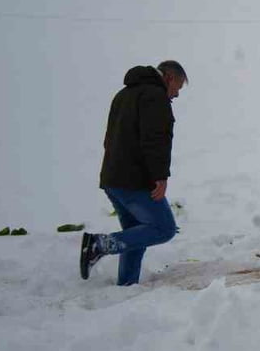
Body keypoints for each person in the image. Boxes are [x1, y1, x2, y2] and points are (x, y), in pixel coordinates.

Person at [79, 60, 188, 285]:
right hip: (134, 181)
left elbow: (109, 139)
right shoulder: (155, 97)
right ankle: (99, 245)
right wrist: (160, 177)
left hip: (112, 178)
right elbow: (155, 140)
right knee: (164, 228)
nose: (176, 94)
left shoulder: (123, 95)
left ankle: (126, 285)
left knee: (135, 234)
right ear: (168, 77)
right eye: (177, 87)